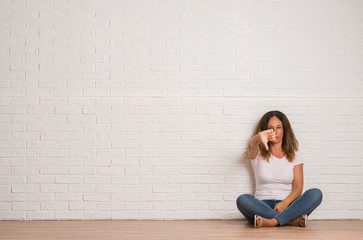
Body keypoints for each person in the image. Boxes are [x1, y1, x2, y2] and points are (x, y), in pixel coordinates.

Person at [236, 110, 322, 227]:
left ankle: (271, 221)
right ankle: (290, 220)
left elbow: (298, 187)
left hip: (289, 205)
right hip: (262, 205)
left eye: (279, 127)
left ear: (284, 130)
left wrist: (285, 203)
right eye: (270, 128)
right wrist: (258, 137)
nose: (275, 131)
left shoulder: (295, 154)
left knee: (316, 194)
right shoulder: (259, 152)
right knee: (243, 200)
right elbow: (252, 145)